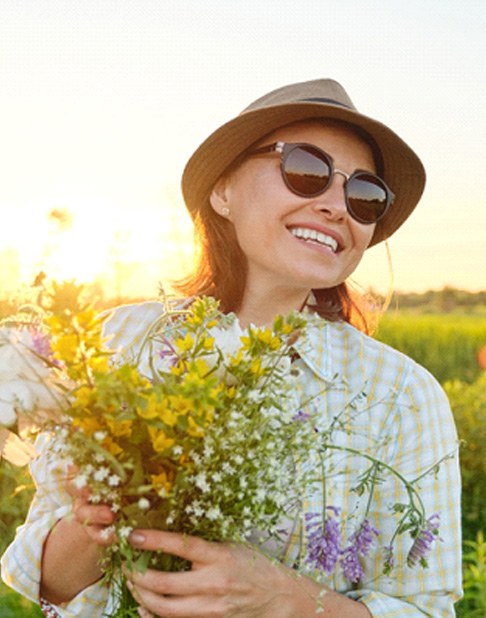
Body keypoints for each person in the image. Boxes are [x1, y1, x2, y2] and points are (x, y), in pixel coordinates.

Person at [1, 78, 462, 617]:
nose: (338, 205)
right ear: (222, 191)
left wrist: (284, 601)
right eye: (308, 171)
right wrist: (100, 518)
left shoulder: (400, 393)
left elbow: (428, 609)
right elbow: (49, 584)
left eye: (365, 196)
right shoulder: (113, 343)